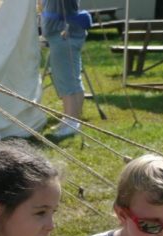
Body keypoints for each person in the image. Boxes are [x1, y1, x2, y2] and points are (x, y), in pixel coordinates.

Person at [40, 0, 91, 139]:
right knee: (71, 79)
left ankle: (72, 123)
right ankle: (70, 118)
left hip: (63, 34)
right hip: (65, 33)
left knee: (67, 81)